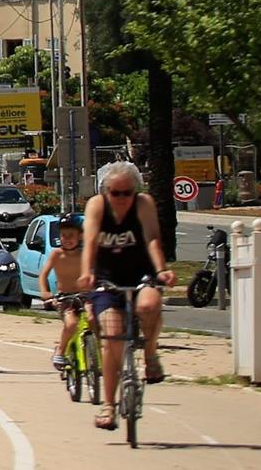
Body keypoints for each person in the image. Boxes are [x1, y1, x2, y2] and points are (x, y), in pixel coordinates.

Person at [83, 160, 171, 431]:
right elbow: (89, 240)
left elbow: (153, 239)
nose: (121, 199)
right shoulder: (97, 206)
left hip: (140, 274)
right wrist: (86, 272)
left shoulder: (143, 204)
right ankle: (109, 406)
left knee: (150, 305)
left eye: (127, 193)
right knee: (112, 338)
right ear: (105, 191)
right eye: (115, 193)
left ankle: (151, 354)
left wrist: (161, 270)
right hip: (106, 278)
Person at [42, 213, 89, 376]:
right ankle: (60, 351)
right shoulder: (56, 254)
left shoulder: (84, 254)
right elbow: (43, 274)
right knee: (70, 324)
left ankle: (95, 355)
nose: (67, 239)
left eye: (71, 236)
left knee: (94, 320)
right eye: (63, 235)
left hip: (84, 295)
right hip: (65, 297)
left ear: (80, 236)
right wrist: (45, 292)